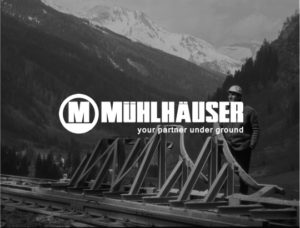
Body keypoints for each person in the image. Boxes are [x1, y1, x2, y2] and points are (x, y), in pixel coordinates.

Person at [221, 85, 259, 194]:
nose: (230, 96)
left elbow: (255, 129)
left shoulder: (249, 111)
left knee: (243, 174)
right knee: (226, 169)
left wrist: (251, 145)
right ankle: (223, 192)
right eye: (229, 94)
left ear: (239, 97)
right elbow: (220, 126)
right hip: (228, 146)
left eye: (233, 94)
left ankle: (243, 197)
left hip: (243, 147)